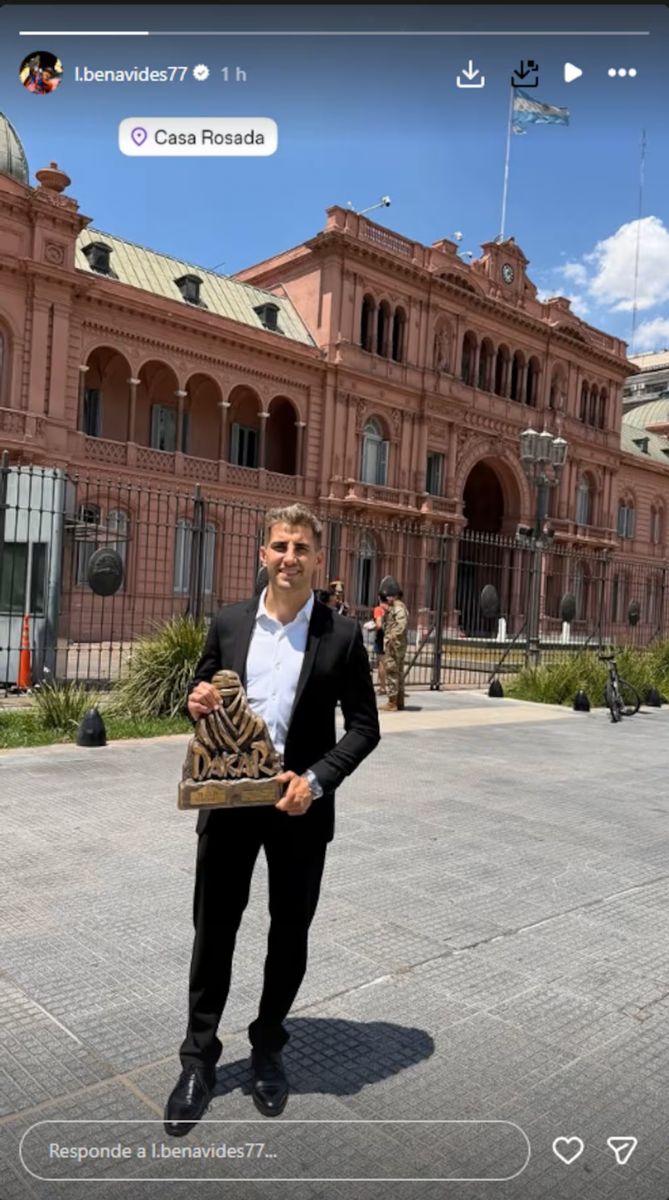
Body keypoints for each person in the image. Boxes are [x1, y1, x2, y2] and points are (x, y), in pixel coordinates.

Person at [165, 503, 381, 1136]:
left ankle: (267, 1046)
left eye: (302, 548)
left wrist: (315, 782)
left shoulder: (339, 636)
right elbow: (203, 697)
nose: (290, 557)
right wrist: (196, 700)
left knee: (289, 933)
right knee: (214, 930)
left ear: (319, 559)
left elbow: (365, 728)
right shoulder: (230, 622)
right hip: (229, 806)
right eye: (280, 546)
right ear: (263, 554)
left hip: (297, 807)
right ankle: (198, 1059)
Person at [381, 587, 409, 712]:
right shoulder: (396, 608)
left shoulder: (398, 608)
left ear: (395, 596)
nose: (387, 599)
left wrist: (391, 636)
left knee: (392, 672)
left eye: (389, 596)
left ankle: (392, 702)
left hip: (394, 645)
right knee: (398, 673)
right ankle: (399, 701)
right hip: (397, 644)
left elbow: (401, 625)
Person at [373, 593, 389, 695]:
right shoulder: (390, 608)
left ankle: (382, 687)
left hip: (381, 637)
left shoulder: (378, 609)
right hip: (390, 636)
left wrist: (372, 627)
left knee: (381, 663)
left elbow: (378, 625)